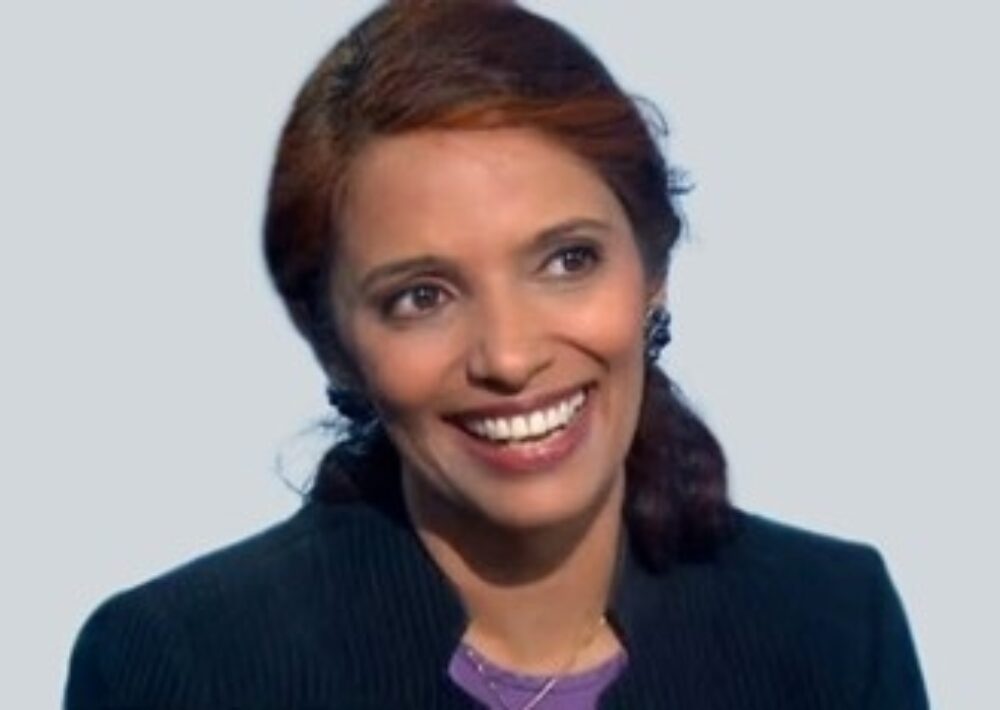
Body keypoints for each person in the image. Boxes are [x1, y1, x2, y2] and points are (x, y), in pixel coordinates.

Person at [64, 2, 928, 708]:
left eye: (567, 260)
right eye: (421, 297)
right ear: (333, 343)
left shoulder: (832, 624)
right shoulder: (179, 668)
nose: (509, 357)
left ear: (653, 273)